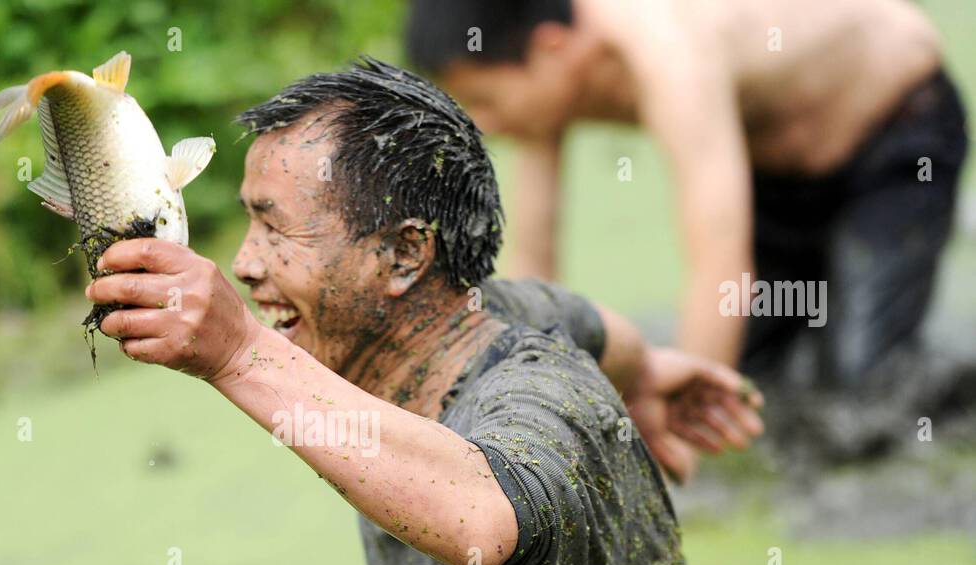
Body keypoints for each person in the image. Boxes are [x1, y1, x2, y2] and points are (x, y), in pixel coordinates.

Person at [84, 58, 827, 565]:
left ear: (406, 256)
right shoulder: (488, 311)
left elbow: (484, 518)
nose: (248, 263)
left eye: (277, 229)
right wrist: (645, 374)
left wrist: (237, 355)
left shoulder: (547, 410)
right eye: (248, 225)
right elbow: (580, 317)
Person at [405, 0, 969, 390]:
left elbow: (721, 264)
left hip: (896, 129)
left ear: (551, 47)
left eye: (486, 99)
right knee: (756, 373)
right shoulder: (548, 74)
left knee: (860, 383)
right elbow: (535, 261)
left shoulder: (667, 49)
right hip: (776, 169)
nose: (484, 123)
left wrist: (687, 452)